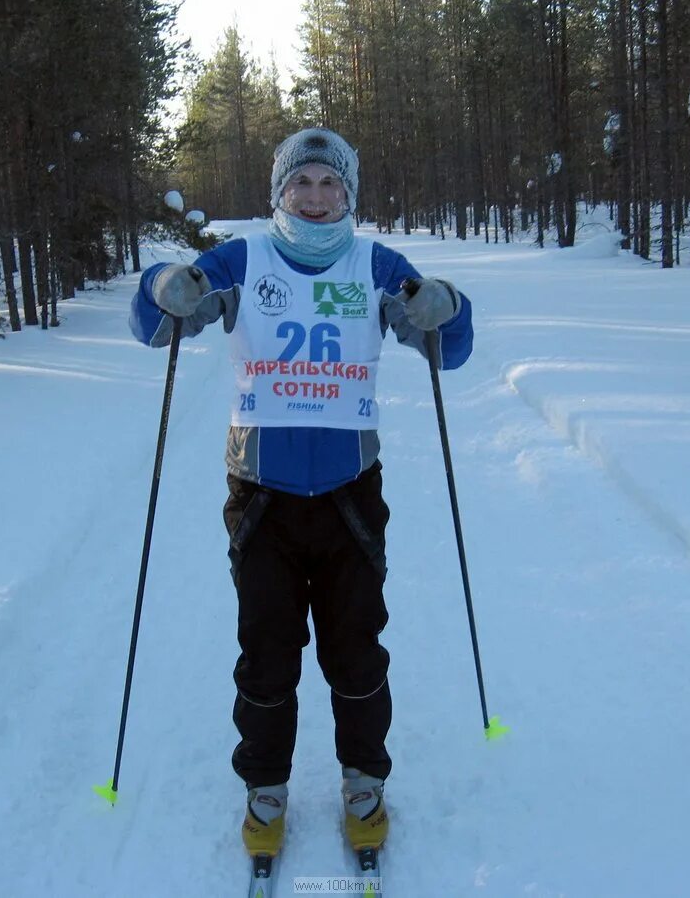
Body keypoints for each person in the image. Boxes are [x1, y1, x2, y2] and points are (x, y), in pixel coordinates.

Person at [128, 128, 473, 858]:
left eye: (330, 184)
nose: (316, 198)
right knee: (266, 651)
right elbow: (157, 322)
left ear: (349, 193)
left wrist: (449, 305)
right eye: (301, 183)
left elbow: (449, 339)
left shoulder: (374, 264)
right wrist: (163, 284)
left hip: (351, 493)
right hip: (261, 498)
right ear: (279, 191)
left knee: (356, 651)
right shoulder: (243, 260)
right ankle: (265, 786)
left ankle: (363, 780)